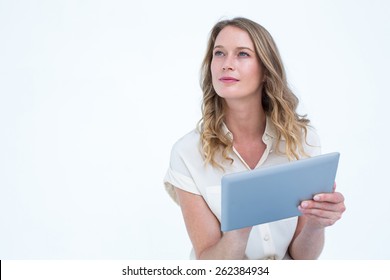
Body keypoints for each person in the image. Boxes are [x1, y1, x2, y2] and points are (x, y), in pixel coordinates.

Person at [163, 17, 345, 260]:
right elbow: (207, 263)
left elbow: (302, 257)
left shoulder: (302, 140)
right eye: (219, 53)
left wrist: (316, 222)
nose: (226, 64)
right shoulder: (187, 153)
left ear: (266, 72)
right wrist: (239, 228)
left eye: (242, 54)